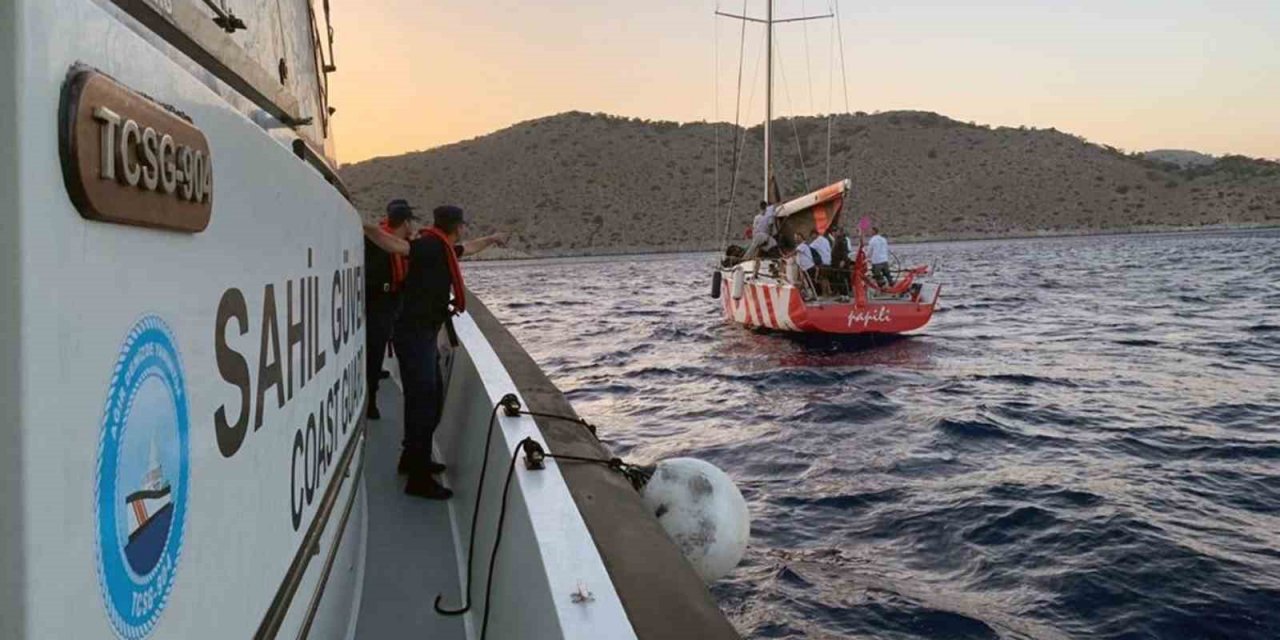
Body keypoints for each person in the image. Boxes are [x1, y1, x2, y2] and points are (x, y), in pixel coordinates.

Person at [363, 205, 508, 499]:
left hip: (423, 334)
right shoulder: (429, 247)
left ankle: (412, 459)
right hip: (415, 335)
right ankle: (417, 479)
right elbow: (395, 245)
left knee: (430, 397)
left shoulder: (442, 247)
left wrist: (492, 238)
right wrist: (365, 226)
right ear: (458, 226)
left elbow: (469, 247)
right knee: (423, 403)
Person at [365, 198, 418, 420]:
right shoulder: (379, 242)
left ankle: (377, 377)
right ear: (406, 222)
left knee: (379, 349)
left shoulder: (391, 240)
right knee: (374, 351)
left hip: (393, 301)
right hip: (378, 304)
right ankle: (371, 402)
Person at [792, 232, 817, 299]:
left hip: (808, 267)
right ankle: (807, 294)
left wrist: (786, 256)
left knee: (809, 282)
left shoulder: (803, 245)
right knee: (804, 282)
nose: (796, 239)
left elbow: (795, 252)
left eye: (798, 237)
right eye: (795, 237)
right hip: (803, 268)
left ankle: (813, 295)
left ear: (801, 238)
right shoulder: (800, 245)